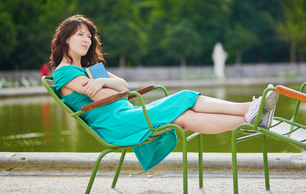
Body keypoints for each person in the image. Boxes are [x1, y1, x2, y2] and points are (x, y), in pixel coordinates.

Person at [49, 15, 279, 170]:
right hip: (115, 124)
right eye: (80, 34)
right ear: (66, 38)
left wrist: (103, 82)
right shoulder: (64, 73)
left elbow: (124, 86)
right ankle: (248, 110)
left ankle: (252, 119)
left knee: (184, 116)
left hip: (128, 112)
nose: (86, 40)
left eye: (89, 36)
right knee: (184, 96)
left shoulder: (90, 69)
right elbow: (107, 97)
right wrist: (108, 86)